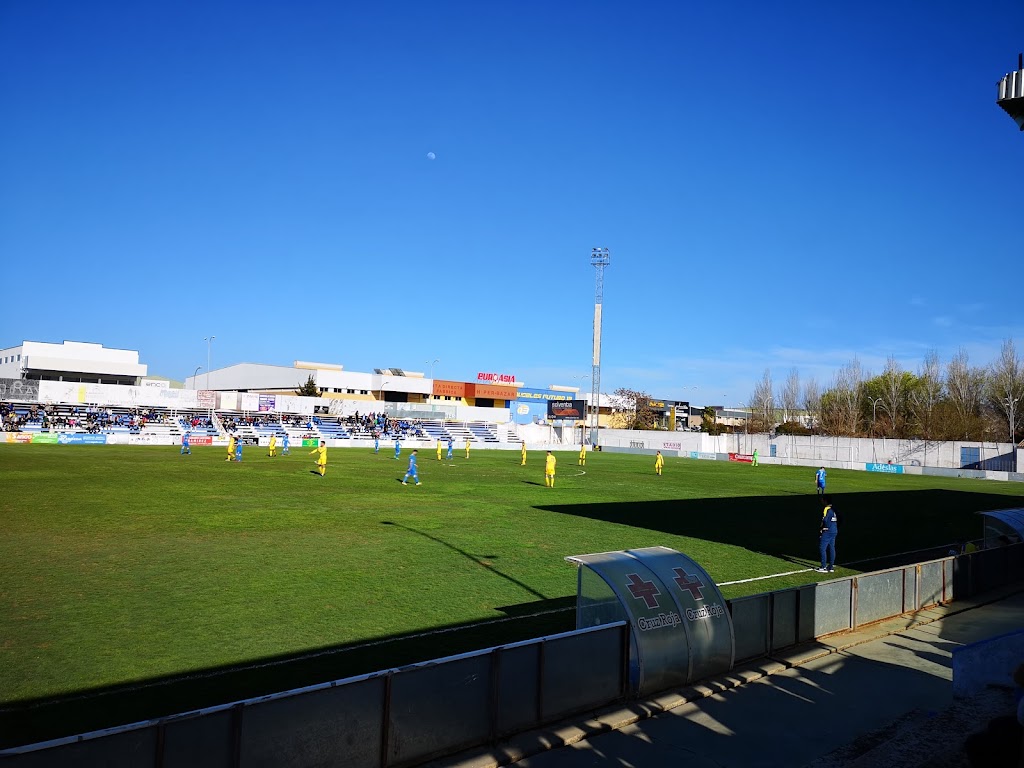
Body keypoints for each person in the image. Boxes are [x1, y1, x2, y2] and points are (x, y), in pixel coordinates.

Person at [816, 496, 838, 573]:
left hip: (828, 531)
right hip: (834, 530)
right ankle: (831, 567)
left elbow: (824, 520)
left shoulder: (826, 509)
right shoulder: (833, 509)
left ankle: (823, 567)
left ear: (825, 501)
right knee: (832, 548)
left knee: (822, 548)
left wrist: (822, 528)